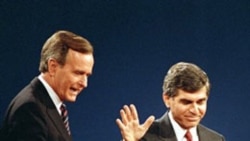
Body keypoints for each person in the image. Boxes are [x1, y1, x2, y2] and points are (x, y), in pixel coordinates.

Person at [0, 30, 94, 141]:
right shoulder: (30, 109)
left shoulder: (46, 104)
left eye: (87, 75)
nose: (84, 83)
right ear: (53, 67)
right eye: (78, 73)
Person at [116, 62, 225, 141]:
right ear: (167, 99)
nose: (195, 110)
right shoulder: (144, 137)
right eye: (186, 102)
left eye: (200, 102)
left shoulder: (216, 139)